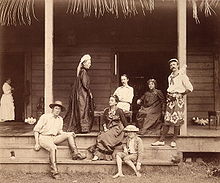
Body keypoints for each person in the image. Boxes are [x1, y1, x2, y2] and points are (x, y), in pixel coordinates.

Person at [33, 101, 86, 179]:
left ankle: (75, 153)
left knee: (69, 134)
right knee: (53, 148)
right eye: (56, 108)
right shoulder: (45, 117)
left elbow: (59, 131)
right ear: (52, 109)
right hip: (44, 138)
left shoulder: (60, 119)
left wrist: (69, 133)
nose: (57, 110)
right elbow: (36, 130)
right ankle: (54, 172)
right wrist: (37, 143)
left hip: (54, 138)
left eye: (59, 109)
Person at [151, 58, 193, 148]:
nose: (172, 66)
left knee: (176, 120)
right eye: (171, 65)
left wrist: (180, 94)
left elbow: (190, 88)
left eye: (174, 64)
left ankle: (174, 140)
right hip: (170, 99)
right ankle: (161, 140)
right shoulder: (170, 77)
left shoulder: (182, 76)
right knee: (167, 119)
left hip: (178, 100)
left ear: (177, 65)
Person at [88, 95, 127, 161]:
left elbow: (124, 122)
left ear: (116, 102)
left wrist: (128, 130)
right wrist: (105, 127)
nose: (110, 102)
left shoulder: (119, 111)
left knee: (106, 136)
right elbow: (103, 121)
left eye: (112, 100)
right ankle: (97, 155)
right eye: (109, 100)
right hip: (109, 128)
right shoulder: (106, 110)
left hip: (117, 129)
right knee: (101, 135)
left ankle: (99, 155)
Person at [64, 54, 94, 133]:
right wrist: (89, 92)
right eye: (89, 62)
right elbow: (85, 84)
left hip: (81, 94)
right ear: (84, 63)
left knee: (82, 111)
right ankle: (83, 129)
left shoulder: (81, 71)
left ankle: (82, 128)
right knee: (83, 111)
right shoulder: (83, 71)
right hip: (82, 94)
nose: (90, 64)